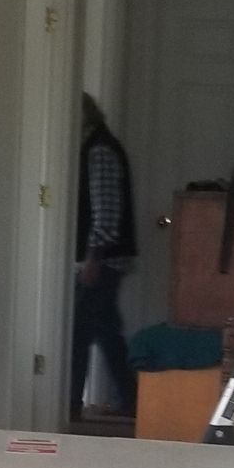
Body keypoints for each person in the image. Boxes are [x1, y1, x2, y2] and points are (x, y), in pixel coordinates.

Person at [71, 92, 137, 418]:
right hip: (103, 258)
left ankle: (71, 405)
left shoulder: (99, 151)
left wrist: (93, 259)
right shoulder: (98, 147)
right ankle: (131, 400)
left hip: (102, 260)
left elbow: (106, 214)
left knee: (80, 333)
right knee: (105, 330)